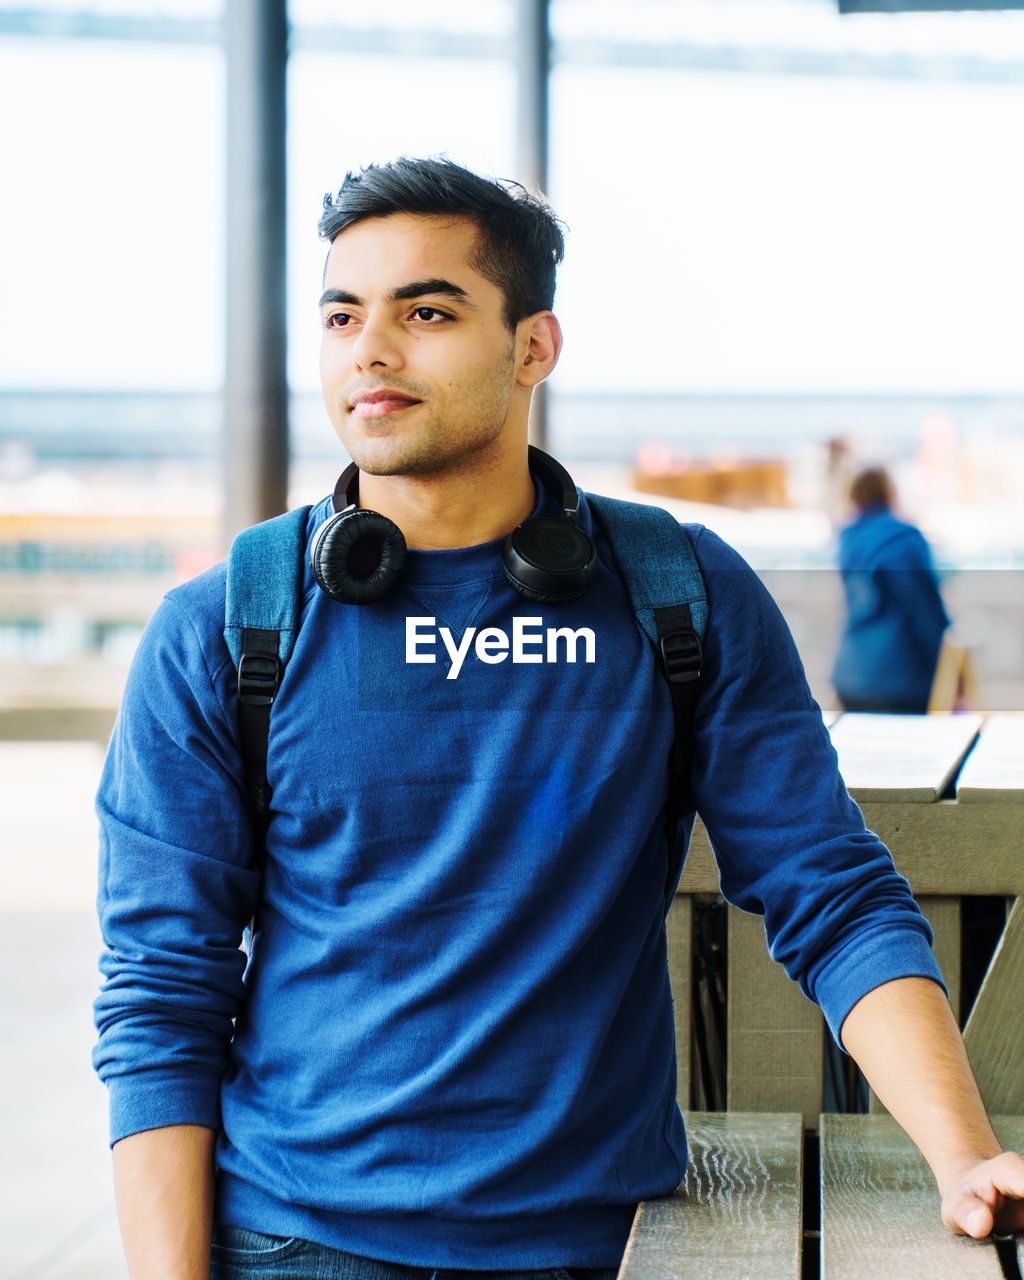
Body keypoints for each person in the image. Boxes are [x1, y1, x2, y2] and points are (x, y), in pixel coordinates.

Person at [93, 158, 1024, 1280]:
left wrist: (965, 1156)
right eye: (343, 315)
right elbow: (161, 986)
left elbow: (828, 889)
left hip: (599, 1243)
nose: (369, 352)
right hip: (293, 1236)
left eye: (425, 311)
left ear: (533, 346)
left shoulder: (679, 593)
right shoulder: (227, 626)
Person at [832, 465, 951, 714]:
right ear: (890, 490)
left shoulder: (848, 540)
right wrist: (946, 666)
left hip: (851, 674)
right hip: (899, 678)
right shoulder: (903, 540)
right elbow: (924, 611)